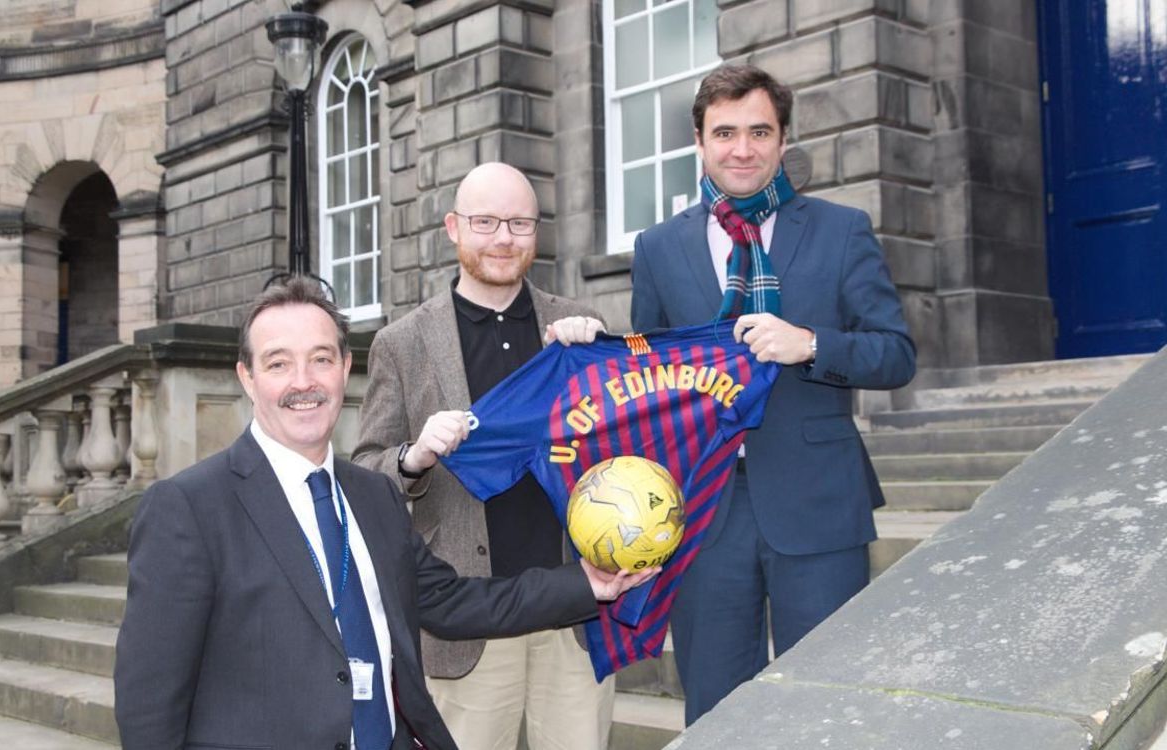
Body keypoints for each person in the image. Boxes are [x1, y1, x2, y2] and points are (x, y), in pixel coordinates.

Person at [113, 276, 651, 750]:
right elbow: (150, 704)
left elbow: (452, 600)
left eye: (321, 359)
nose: (304, 381)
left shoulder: (374, 496)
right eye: (279, 363)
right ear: (247, 377)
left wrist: (585, 583)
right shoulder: (187, 508)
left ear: (345, 369)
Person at [630, 64, 917, 724]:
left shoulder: (842, 230)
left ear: (783, 140)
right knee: (715, 711)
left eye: (759, 131)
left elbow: (896, 354)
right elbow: (649, 376)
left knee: (827, 705)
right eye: (724, 132)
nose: (742, 148)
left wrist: (813, 345)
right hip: (702, 515)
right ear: (698, 142)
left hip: (819, 505)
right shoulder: (657, 248)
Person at [353, 162, 614, 750]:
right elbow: (364, 470)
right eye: (486, 221)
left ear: (537, 231)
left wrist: (599, 364)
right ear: (453, 227)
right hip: (468, 624)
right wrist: (414, 457)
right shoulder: (402, 343)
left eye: (519, 223)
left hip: (574, 607)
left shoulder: (581, 326)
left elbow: (623, 451)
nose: (503, 237)